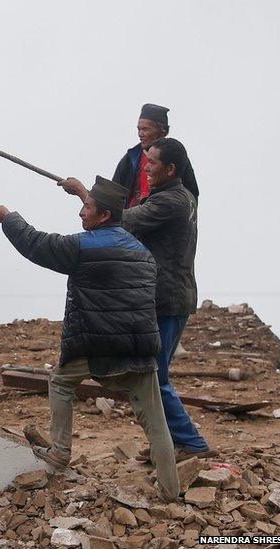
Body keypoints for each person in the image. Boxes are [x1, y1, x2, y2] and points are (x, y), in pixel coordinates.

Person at [0, 178, 179, 501]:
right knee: (156, 423)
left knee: (61, 381)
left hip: (97, 346)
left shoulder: (83, 247)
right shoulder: (143, 253)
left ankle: (60, 452)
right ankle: (171, 490)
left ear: (103, 215)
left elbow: (38, 244)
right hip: (141, 349)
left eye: (87, 208)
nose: (81, 213)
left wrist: (8, 219)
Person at [62, 137, 213, 461]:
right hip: (172, 295)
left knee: (154, 375)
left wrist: (84, 195)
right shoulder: (179, 196)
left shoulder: (170, 201)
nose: (145, 168)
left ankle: (191, 443)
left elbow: (123, 221)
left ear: (170, 169)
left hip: (167, 299)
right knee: (153, 374)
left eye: (153, 163)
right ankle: (171, 442)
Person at [113, 103, 199, 207]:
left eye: (145, 129)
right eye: (139, 129)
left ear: (162, 131)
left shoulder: (177, 158)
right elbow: (114, 192)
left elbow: (191, 195)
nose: (140, 134)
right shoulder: (131, 158)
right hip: (131, 218)